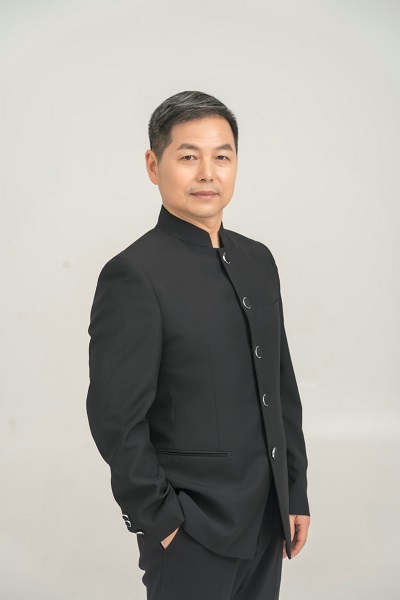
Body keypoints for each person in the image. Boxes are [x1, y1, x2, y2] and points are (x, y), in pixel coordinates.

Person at [86, 90, 311, 599]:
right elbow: (116, 419)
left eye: (222, 157)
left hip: (268, 520)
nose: (208, 173)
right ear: (153, 165)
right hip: (193, 530)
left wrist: (294, 491)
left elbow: (281, 387)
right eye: (189, 157)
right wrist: (162, 521)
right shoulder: (133, 274)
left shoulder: (258, 260)